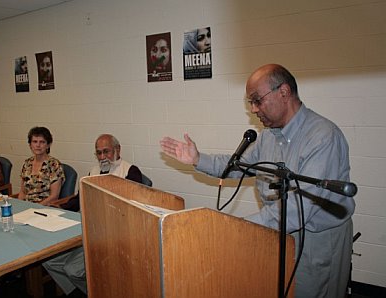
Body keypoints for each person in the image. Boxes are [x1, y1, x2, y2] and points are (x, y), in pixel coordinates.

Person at [160, 64, 355, 298]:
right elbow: (239, 167)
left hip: (317, 242)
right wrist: (198, 159)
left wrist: (239, 230)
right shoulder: (268, 137)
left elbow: (297, 209)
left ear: (283, 92)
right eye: (250, 103)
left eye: (257, 100)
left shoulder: (323, 137)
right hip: (280, 231)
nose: (253, 109)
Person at [43, 134, 143, 296]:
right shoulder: (94, 171)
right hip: (88, 229)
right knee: (49, 262)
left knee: (72, 270)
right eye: (98, 153)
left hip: (113, 234)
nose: (102, 157)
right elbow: (79, 198)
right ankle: (79, 292)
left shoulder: (130, 171)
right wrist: (59, 206)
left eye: (106, 152)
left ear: (117, 150)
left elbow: (134, 206)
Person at [17, 126, 65, 206]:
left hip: (44, 208)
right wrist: (18, 206)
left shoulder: (54, 165)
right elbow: (22, 192)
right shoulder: (27, 163)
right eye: (35, 142)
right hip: (26, 207)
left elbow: (54, 196)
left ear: (48, 145)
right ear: (30, 145)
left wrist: (36, 207)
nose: (38, 145)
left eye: (42, 142)